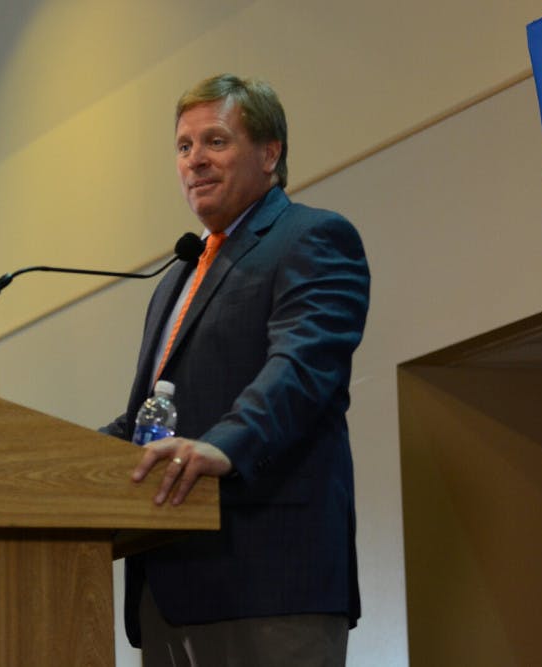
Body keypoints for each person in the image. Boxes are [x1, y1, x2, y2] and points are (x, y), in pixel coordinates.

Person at [101, 74, 370, 666]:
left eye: (215, 142)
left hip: (269, 582)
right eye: (183, 146)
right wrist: (58, 461)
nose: (195, 160)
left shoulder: (313, 238)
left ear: (269, 153)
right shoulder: (177, 276)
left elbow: (301, 368)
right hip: (167, 590)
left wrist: (225, 446)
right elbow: (150, 416)